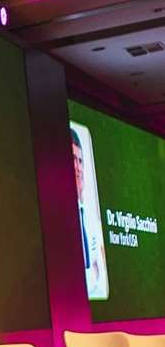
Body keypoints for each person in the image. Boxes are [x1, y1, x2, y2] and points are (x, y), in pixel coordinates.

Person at [70, 127, 108, 300]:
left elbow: (101, 272)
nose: (78, 167)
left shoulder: (90, 219)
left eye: (80, 161)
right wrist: (93, 274)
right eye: (72, 159)